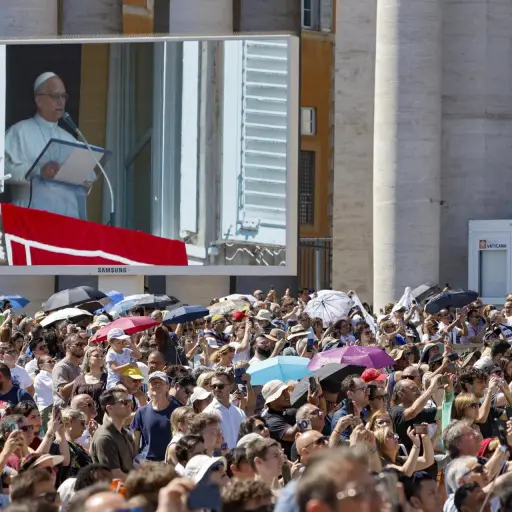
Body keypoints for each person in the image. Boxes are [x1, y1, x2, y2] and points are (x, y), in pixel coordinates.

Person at [4, 72, 93, 219]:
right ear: (39, 100)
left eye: (64, 96)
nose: (61, 102)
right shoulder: (19, 131)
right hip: (30, 217)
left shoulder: (71, 139)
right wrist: (38, 171)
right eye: (55, 96)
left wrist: (85, 182)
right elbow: (4, 171)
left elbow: (85, 186)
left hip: (67, 220)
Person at [90, 389, 136, 480]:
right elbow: (114, 474)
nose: (129, 405)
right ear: (109, 408)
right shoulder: (104, 437)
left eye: (129, 401)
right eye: (124, 402)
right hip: (116, 490)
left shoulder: (126, 433)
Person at [131, 371, 177, 462]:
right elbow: (135, 442)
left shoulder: (176, 410)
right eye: (153, 383)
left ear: (167, 387)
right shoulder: (141, 412)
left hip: (169, 462)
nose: (157, 385)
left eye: (160, 382)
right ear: (149, 387)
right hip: (147, 462)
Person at [204, 370, 246, 449]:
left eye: (220, 386)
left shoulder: (240, 412)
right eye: (213, 386)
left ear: (230, 387)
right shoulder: (208, 413)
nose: (216, 389)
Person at [52, 334, 86, 407]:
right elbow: (63, 392)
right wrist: (83, 377)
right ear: (68, 347)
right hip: (66, 413)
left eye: (83, 344)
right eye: (78, 344)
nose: (82, 347)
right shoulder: (61, 367)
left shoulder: (80, 367)